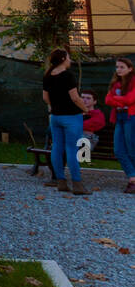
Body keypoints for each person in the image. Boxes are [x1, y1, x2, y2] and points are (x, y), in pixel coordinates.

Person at [42, 48, 90, 194]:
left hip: (55, 117)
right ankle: (77, 184)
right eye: (68, 57)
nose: (70, 60)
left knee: (57, 147)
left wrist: (54, 107)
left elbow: (45, 98)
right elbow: (75, 97)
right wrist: (86, 109)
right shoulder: (68, 75)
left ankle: (61, 181)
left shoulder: (48, 75)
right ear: (63, 59)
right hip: (71, 117)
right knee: (72, 149)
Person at [103, 55, 135, 194]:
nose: (118, 69)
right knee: (118, 150)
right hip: (119, 117)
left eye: (122, 67)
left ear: (130, 69)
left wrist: (117, 100)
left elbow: (130, 99)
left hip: (131, 117)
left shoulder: (134, 81)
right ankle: (133, 177)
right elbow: (107, 100)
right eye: (117, 67)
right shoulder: (115, 83)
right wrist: (121, 100)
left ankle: (132, 181)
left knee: (132, 148)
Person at [79, 93, 105, 157]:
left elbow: (91, 125)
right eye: (82, 97)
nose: (84, 100)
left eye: (88, 98)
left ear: (94, 102)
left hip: (87, 142)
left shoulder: (98, 114)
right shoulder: (75, 113)